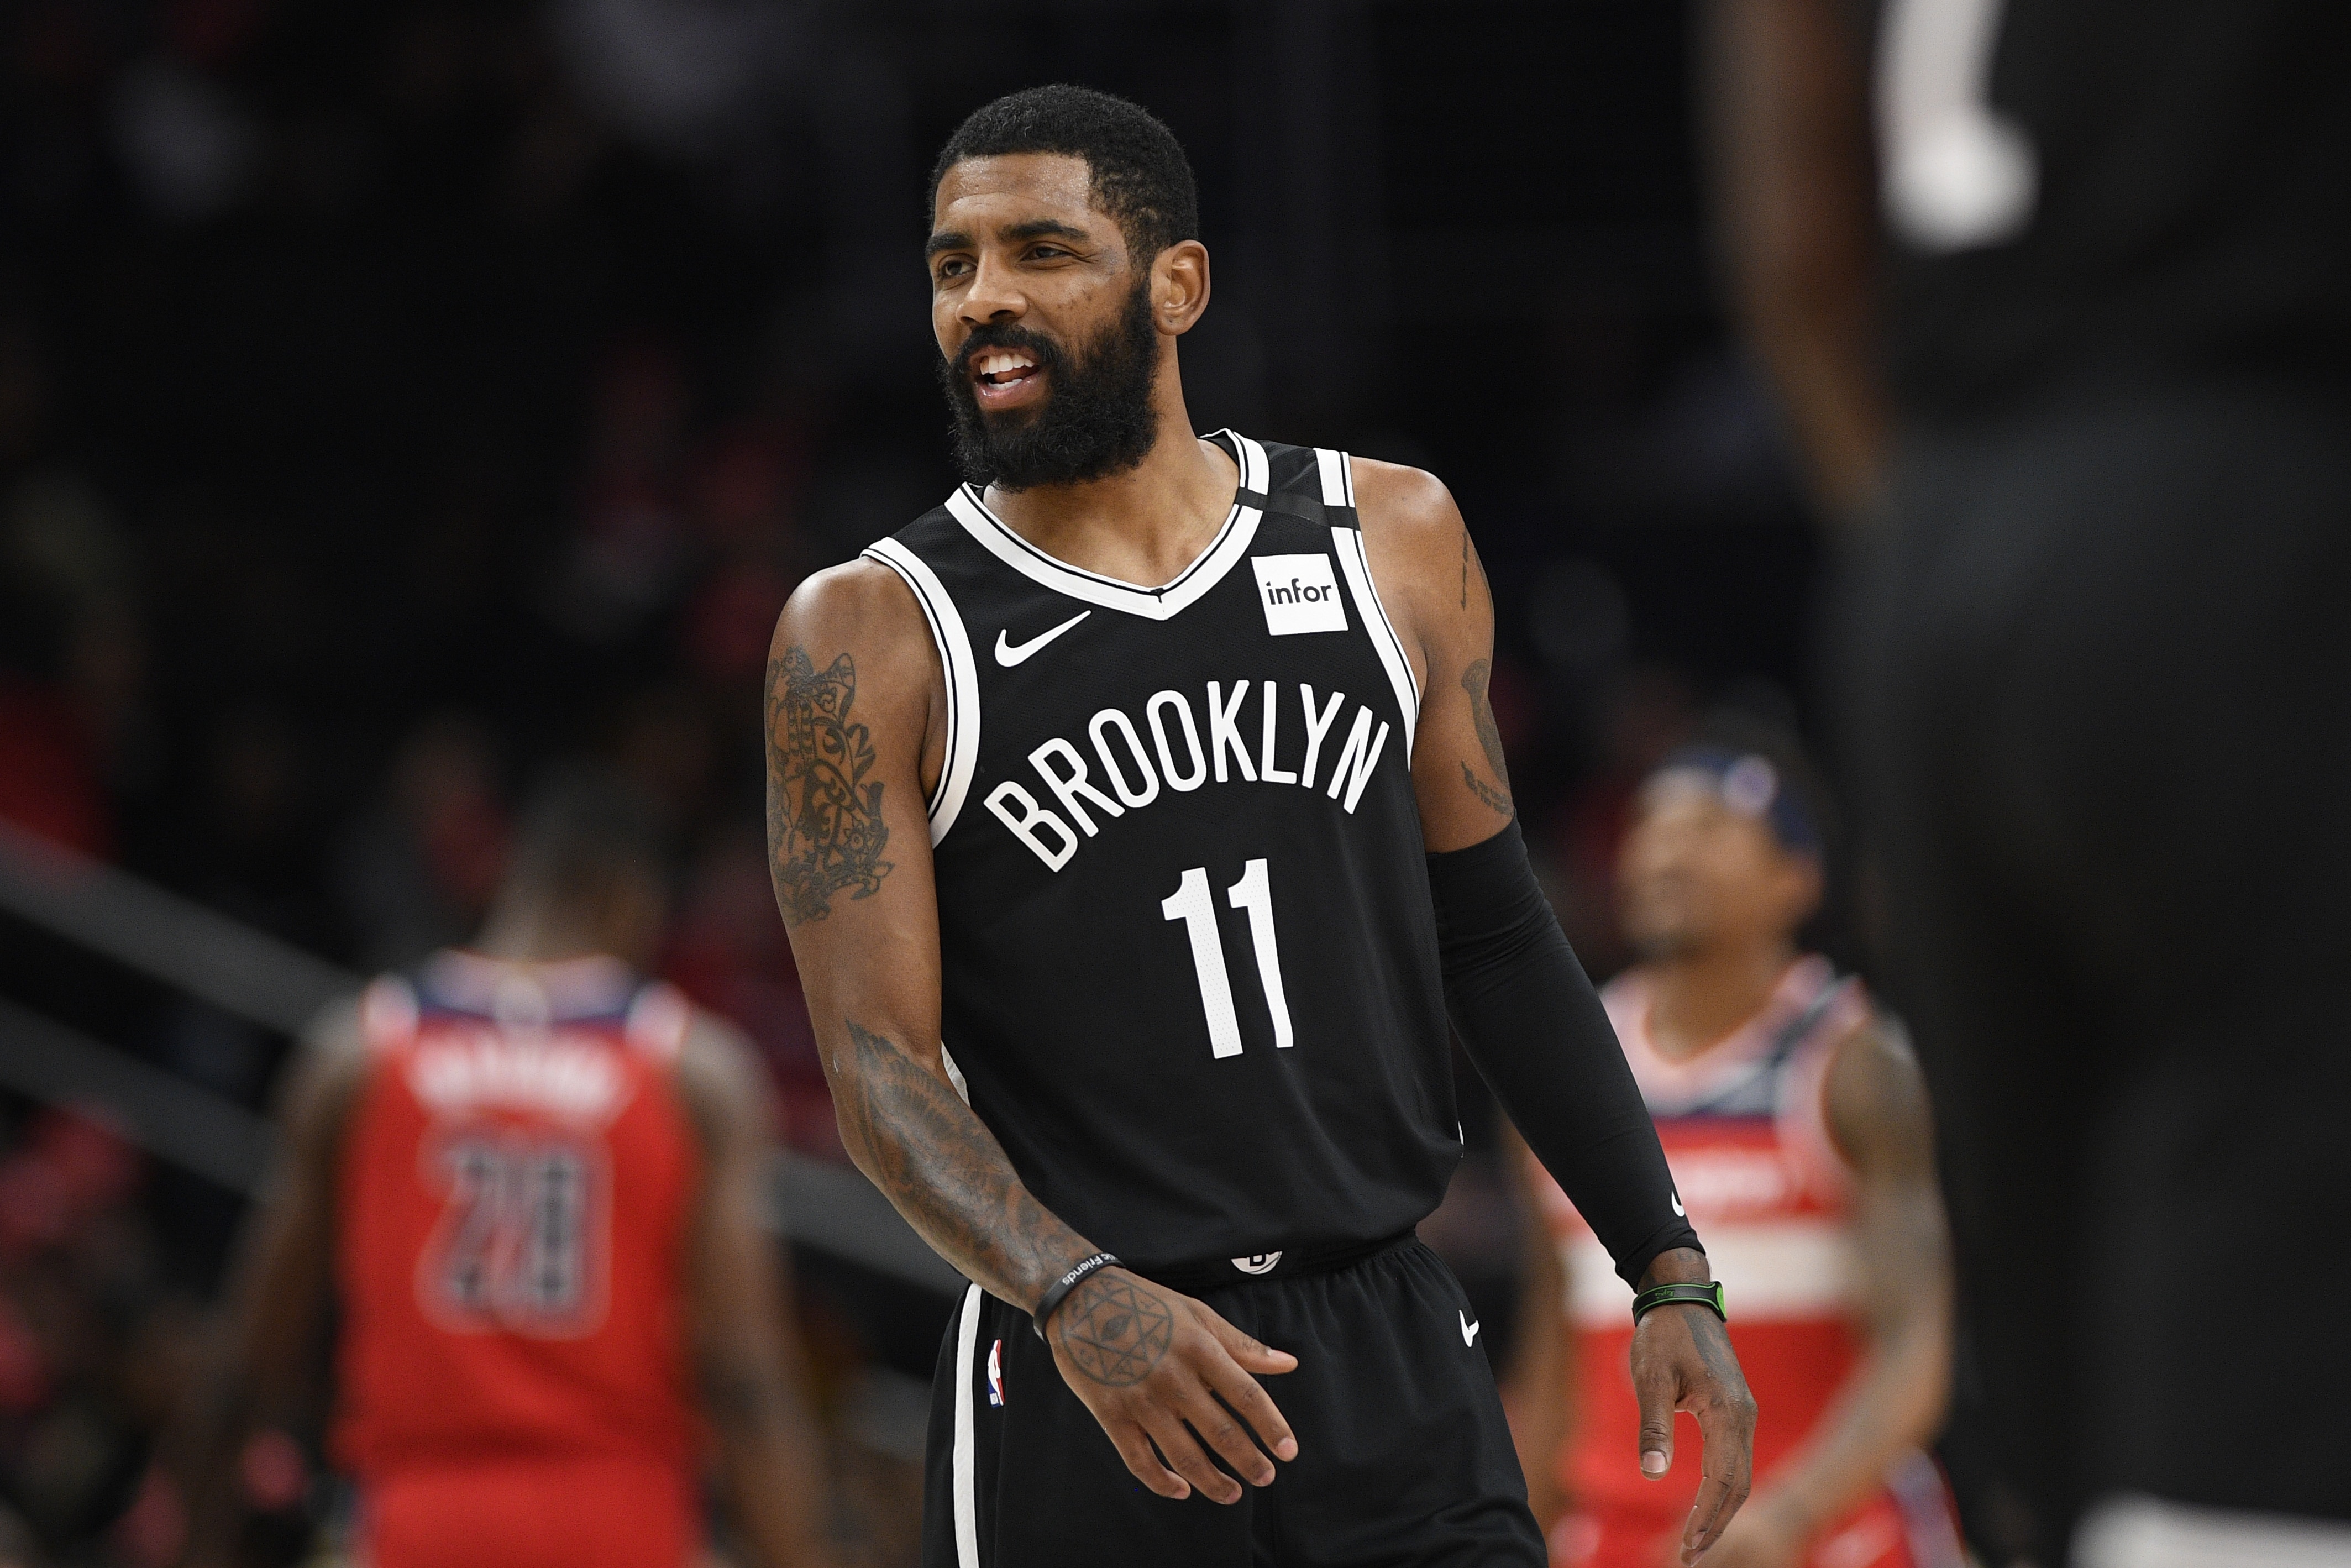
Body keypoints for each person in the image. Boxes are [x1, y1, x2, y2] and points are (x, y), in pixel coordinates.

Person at [765, 85, 1756, 1568]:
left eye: (1041, 251)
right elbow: (877, 1070)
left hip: (1388, 1335)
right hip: (1088, 1357)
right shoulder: (869, 633)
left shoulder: (1388, 537)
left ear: (1178, 283)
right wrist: (1074, 1292)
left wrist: (1663, 1259)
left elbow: (1493, 935)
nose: (984, 300)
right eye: (951, 265)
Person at [1703, 2, 2351, 1563]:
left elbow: (1796, 231)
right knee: (2265, 1457)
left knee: (2081, 1439)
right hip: (2252, 498)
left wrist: (1933, 555)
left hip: (1934, 557)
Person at [178, 774, 837, 1568]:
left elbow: (249, 1365)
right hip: (621, 1523)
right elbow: (744, 1381)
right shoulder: (692, 1070)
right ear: (635, 903)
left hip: (419, 1521)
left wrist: (193, 1543)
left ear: (519, 876)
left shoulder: (360, 1051)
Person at [1507, 733, 1963, 1568]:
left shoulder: (1854, 1065)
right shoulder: (1563, 1068)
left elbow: (1919, 1341)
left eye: (1709, 826)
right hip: (1617, 1535)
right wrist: (1519, 1525)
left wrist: (1790, 1515)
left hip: (1819, 1530)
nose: (1669, 849)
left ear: (1797, 878)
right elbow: (1551, 1345)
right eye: (1651, 825)